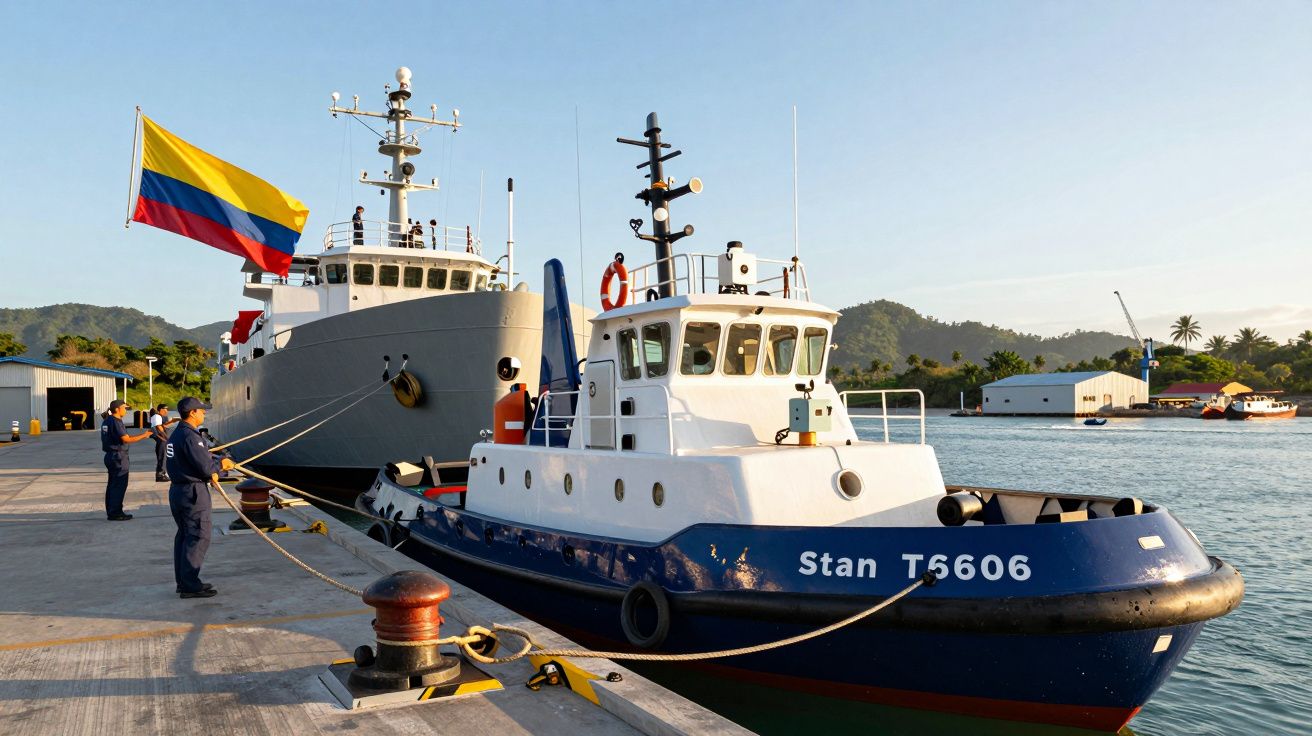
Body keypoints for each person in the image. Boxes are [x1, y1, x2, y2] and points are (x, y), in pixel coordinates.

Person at [166, 397, 235, 599]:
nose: (204, 414)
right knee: (198, 536)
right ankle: (189, 585)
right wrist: (223, 465)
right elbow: (207, 469)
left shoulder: (177, 433)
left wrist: (216, 465)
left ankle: (184, 581)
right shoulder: (191, 437)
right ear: (193, 412)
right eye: (202, 411)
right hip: (193, 493)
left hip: (179, 490)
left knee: (185, 536)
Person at [100, 399, 151, 521]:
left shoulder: (107, 420)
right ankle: (116, 513)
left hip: (110, 456)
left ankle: (112, 511)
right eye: (124, 408)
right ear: (117, 409)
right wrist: (144, 435)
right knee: (119, 485)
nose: (126, 410)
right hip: (118, 456)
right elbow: (126, 439)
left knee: (112, 485)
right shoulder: (116, 422)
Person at [150, 403, 177, 482]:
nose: (166, 411)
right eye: (164, 409)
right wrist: (166, 437)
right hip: (161, 439)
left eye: (167, 409)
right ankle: (160, 475)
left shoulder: (161, 417)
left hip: (163, 439)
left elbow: (164, 425)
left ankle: (162, 474)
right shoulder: (157, 416)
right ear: (160, 410)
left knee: (164, 456)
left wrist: (172, 421)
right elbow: (159, 427)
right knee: (162, 456)